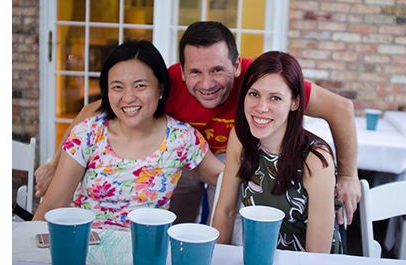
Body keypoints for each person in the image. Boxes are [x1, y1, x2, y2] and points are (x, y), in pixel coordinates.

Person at [35, 21, 361, 225]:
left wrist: (347, 174)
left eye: (217, 70)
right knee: (177, 221)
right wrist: (56, 161)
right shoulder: (166, 84)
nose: (206, 83)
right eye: (196, 72)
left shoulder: (261, 81)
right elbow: (99, 107)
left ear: (236, 66)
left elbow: (342, 109)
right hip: (180, 157)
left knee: (244, 203)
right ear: (182, 68)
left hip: (233, 152)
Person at [32, 40, 223, 230]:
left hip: (146, 252)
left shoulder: (182, 138)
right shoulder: (88, 134)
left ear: (161, 88)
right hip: (85, 249)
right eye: (117, 87)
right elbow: (51, 207)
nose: (128, 97)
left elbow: (224, 177)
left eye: (140, 86)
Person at [213, 51, 341, 253]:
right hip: (257, 254)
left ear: (295, 102)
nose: (261, 107)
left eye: (275, 98)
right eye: (254, 94)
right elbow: (226, 211)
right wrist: (217, 257)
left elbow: (318, 255)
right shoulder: (240, 138)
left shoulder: (315, 158)